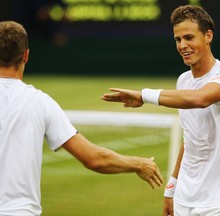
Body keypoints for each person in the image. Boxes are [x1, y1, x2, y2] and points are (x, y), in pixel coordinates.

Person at [0, 20, 163, 216]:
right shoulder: (39, 102)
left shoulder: (39, 102)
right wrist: (138, 163)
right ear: (26, 55)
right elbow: (93, 159)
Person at [101, 5, 220, 216]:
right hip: (184, 200)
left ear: (208, 36)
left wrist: (143, 95)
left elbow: (200, 99)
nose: (183, 45)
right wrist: (171, 189)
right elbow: (190, 139)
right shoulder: (184, 80)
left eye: (189, 37)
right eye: (178, 40)